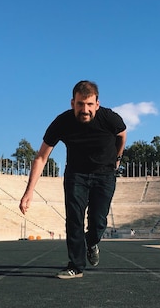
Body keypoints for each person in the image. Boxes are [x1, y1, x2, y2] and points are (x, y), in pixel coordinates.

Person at [19, 80, 127, 279]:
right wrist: (29, 192)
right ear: (72, 103)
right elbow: (41, 156)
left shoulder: (110, 118)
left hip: (105, 175)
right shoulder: (62, 122)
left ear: (97, 104)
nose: (84, 110)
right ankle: (75, 266)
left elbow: (122, 135)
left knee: (98, 222)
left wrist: (117, 159)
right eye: (80, 104)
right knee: (74, 219)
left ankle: (92, 242)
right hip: (76, 174)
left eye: (89, 105)